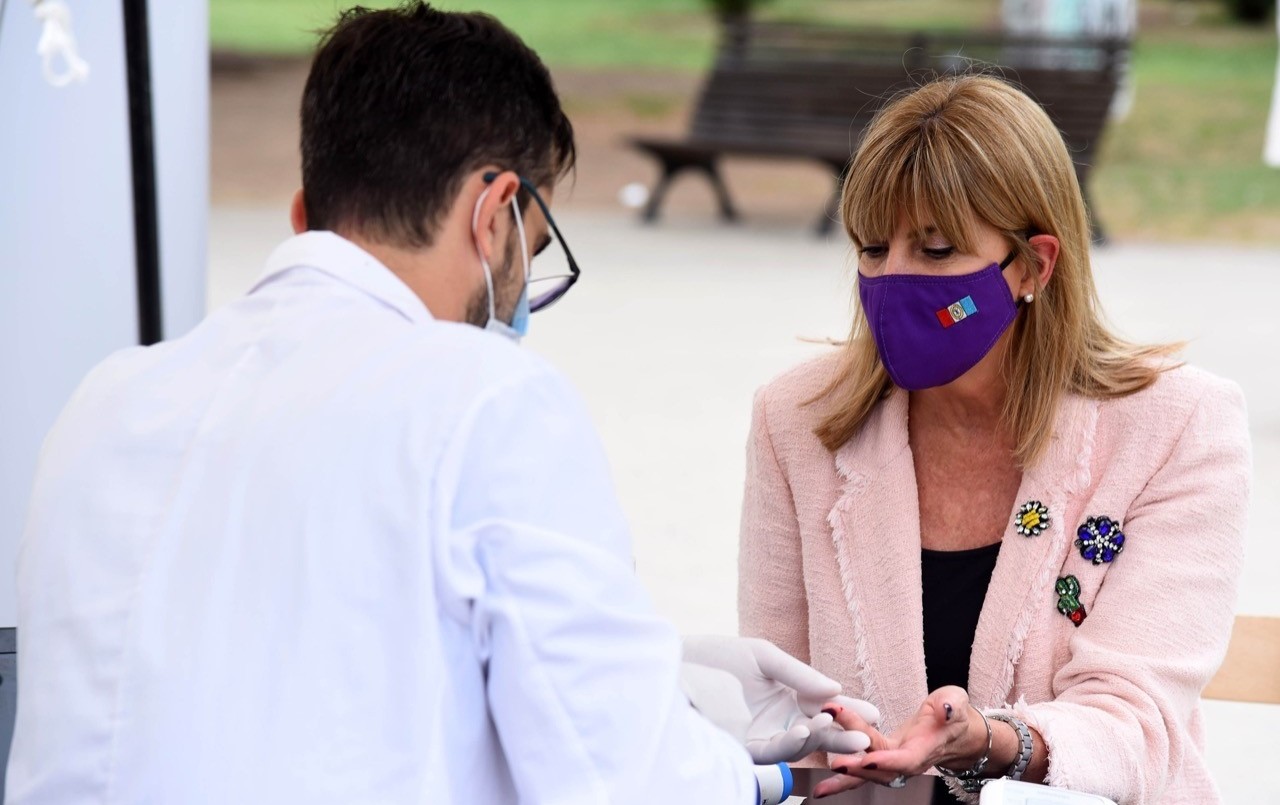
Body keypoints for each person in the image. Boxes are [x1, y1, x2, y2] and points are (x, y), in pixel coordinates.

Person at [6, 5, 872, 803]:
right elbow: (614, 775)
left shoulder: (107, 401)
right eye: (530, 251)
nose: (522, 296)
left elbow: (274, 662)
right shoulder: (486, 399)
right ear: (494, 211)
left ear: (307, 213)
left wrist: (664, 671)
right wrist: (769, 775)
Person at [737, 74, 1250, 804]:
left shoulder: (1176, 427)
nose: (892, 278)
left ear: (1035, 264)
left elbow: (1136, 724)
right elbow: (777, 693)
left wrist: (992, 742)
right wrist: (820, 731)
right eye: (873, 248)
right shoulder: (796, 419)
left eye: (937, 249)